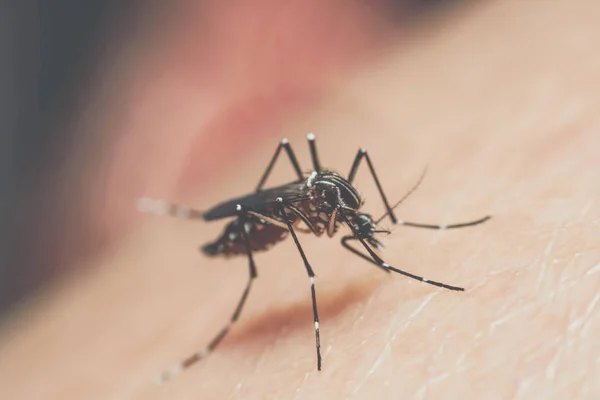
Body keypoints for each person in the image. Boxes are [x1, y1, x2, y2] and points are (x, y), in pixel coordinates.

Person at [1, 1, 598, 398]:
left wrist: (393, 222)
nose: (364, 229)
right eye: (363, 223)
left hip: (290, 204)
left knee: (308, 154)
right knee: (298, 172)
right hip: (256, 219)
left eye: (364, 222)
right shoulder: (319, 206)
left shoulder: (347, 195)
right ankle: (192, 221)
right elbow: (315, 249)